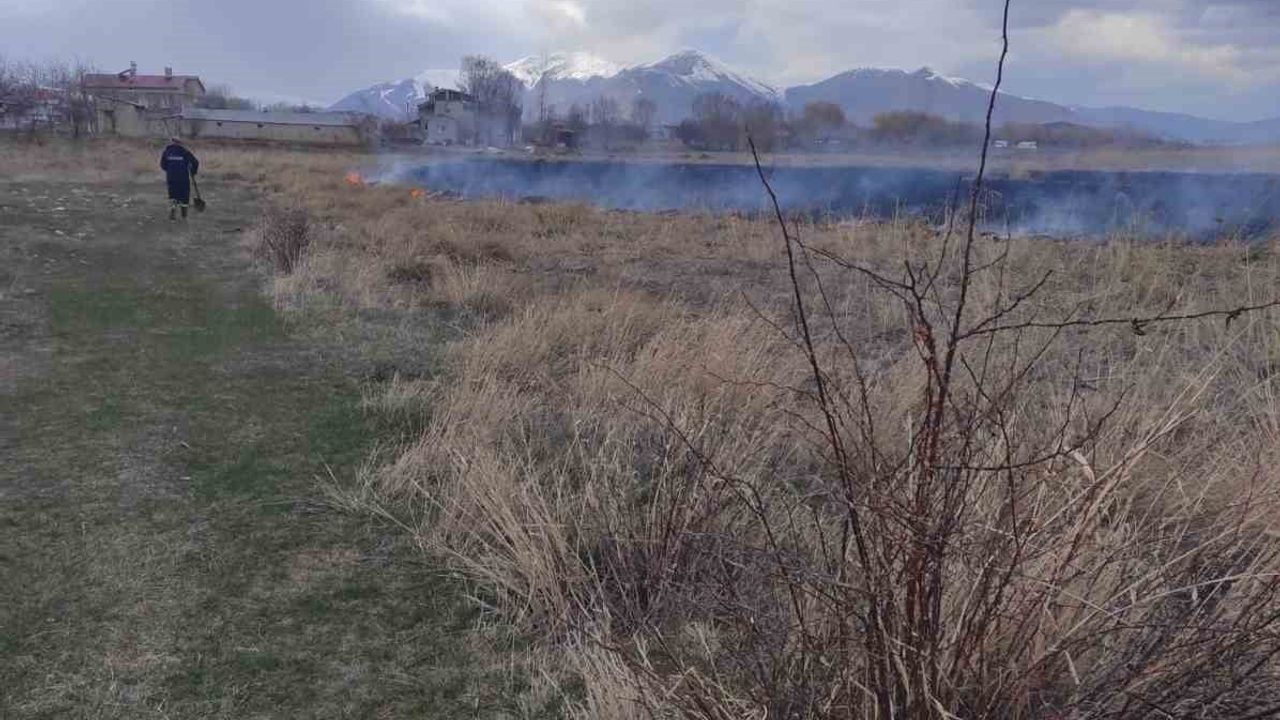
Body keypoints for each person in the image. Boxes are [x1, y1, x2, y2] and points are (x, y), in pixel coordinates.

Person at [159, 137, 199, 220]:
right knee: (184, 195)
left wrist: (170, 170)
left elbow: (162, 165)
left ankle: (173, 211)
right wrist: (193, 171)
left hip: (171, 177)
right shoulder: (185, 152)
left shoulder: (167, 151)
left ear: (172, 142)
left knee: (173, 194)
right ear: (180, 143)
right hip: (183, 177)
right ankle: (184, 215)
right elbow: (195, 162)